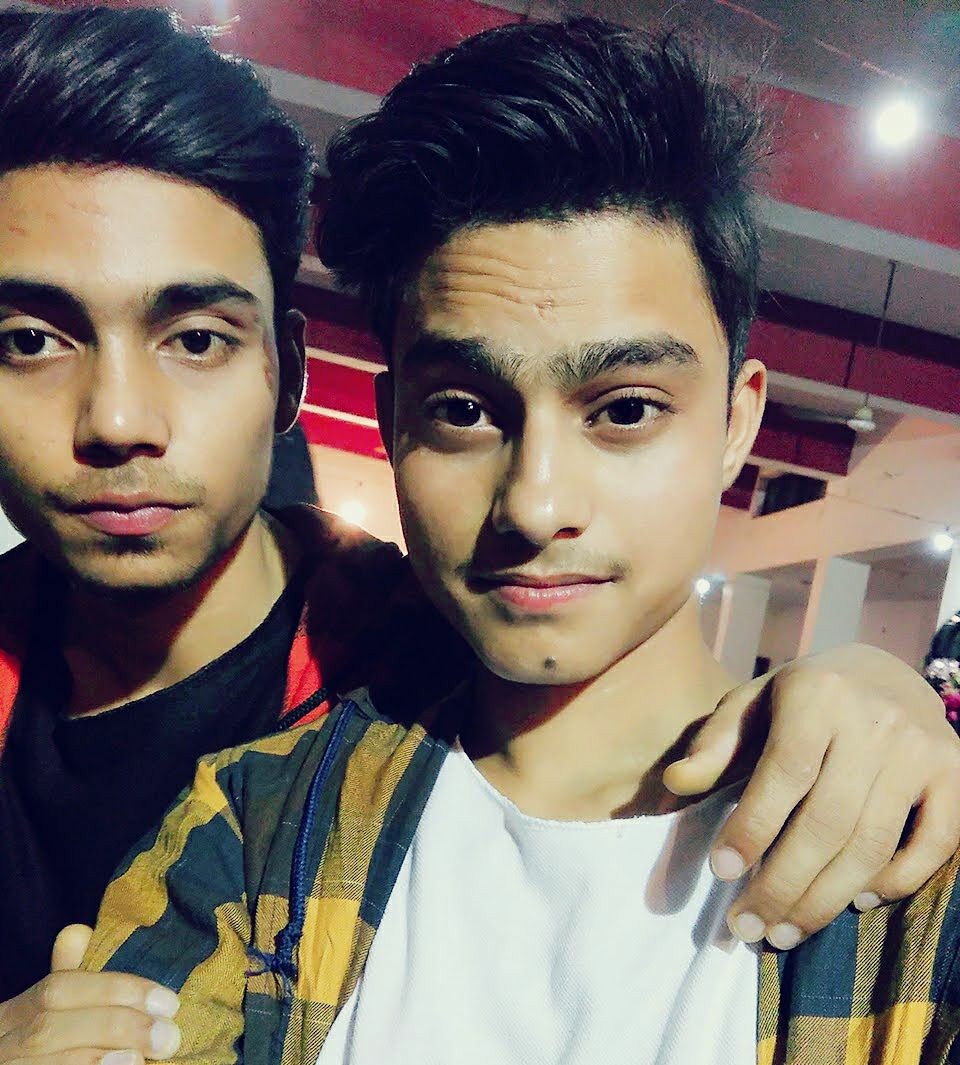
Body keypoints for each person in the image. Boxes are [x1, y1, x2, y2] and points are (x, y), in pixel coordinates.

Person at [79, 17, 960, 1064]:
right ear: (394, 422)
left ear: (737, 421)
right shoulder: (259, 826)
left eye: (624, 410)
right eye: (463, 410)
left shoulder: (911, 875)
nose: (535, 505)